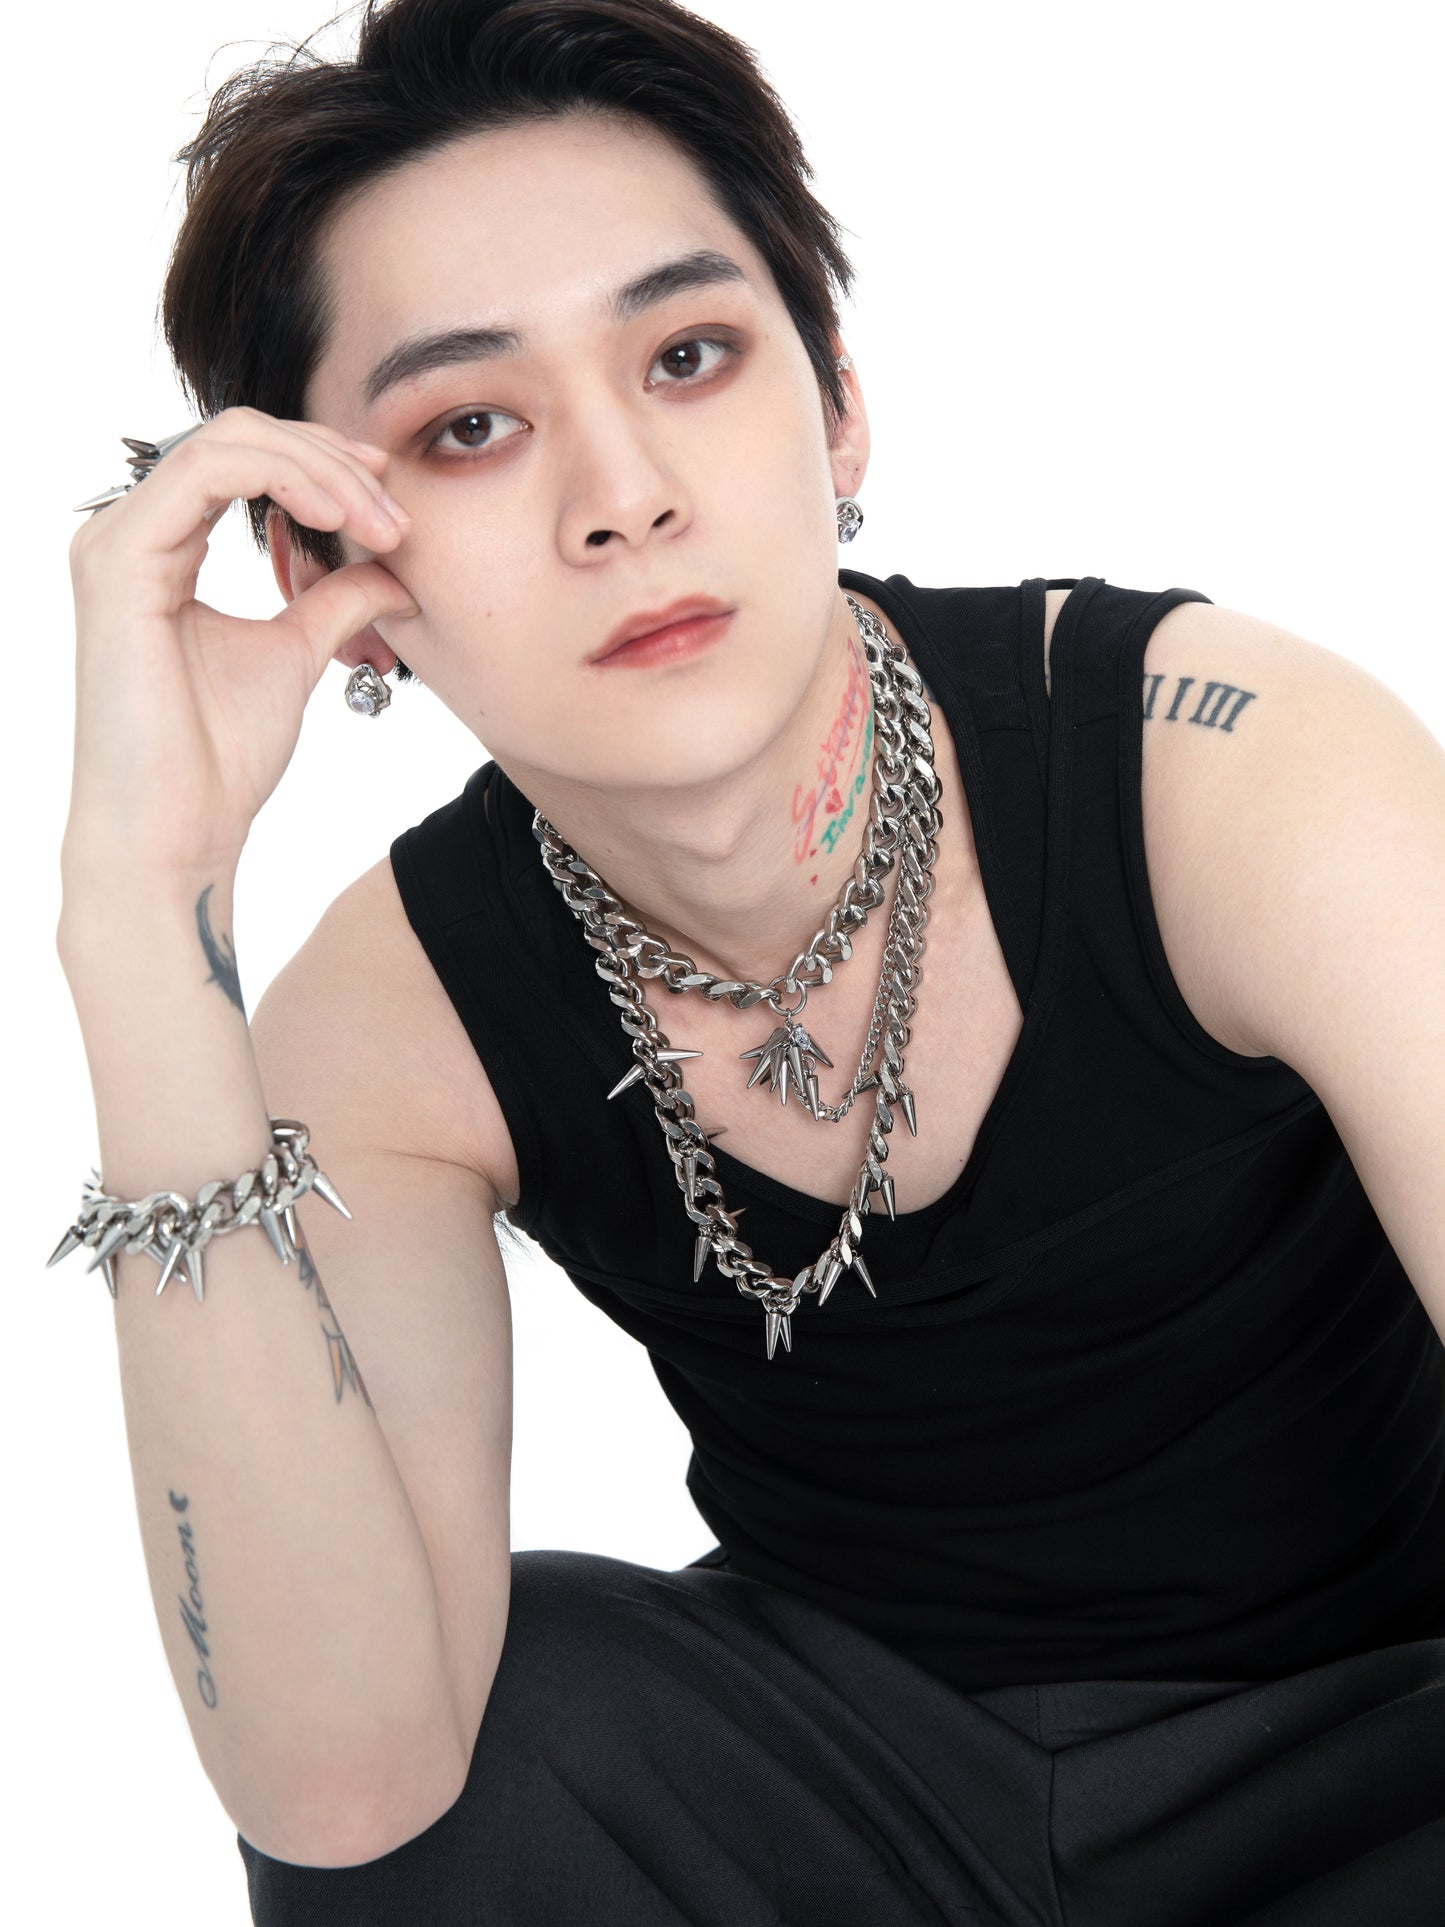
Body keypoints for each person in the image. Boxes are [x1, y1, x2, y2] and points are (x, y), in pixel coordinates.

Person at [53, 0, 1445, 1921]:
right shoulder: (394, 1026)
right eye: (470, 425)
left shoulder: (1225, 766)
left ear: (836, 405)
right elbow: (344, 1790)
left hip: (1380, 1760)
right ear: (329, 576)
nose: (622, 494)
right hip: (859, 1814)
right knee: (499, 1728)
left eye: (687, 355)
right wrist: (144, 913)